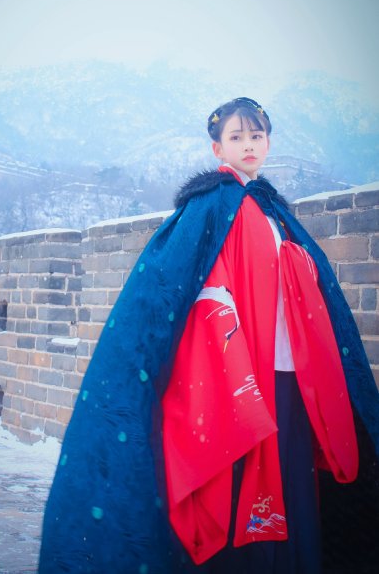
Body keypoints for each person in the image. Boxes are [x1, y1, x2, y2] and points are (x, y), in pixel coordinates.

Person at [38, 97, 378, 574]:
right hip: (241, 382)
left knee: (293, 482)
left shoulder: (275, 211)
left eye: (256, 135)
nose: (248, 145)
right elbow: (180, 288)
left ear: (269, 141)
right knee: (246, 489)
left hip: (290, 376)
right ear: (217, 147)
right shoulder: (211, 206)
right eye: (236, 137)